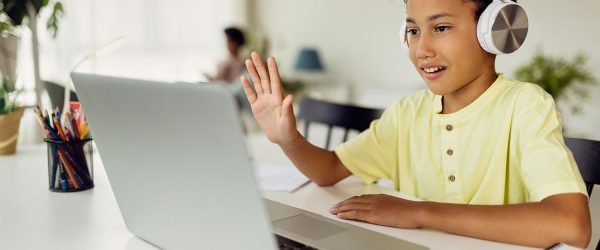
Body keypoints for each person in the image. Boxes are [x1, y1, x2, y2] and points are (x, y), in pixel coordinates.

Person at [239, 0, 591, 248]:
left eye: (440, 27)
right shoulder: (407, 113)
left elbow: (571, 224)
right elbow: (328, 169)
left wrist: (418, 212)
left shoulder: (525, 105)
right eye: (412, 30)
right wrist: (288, 139)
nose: (421, 49)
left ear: (494, 32)